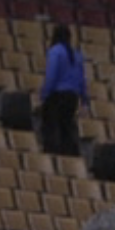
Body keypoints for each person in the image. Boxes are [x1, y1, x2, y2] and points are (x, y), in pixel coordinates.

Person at [39, 22, 88, 156]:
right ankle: (69, 156)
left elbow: (52, 75)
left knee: (52, 126)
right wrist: (84, 101)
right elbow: (82, 79)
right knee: (67, 127)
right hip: (72, 97)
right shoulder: (77, 55)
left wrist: (44, 94)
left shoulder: (55, 51)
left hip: (58, 95)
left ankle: (52, 154)